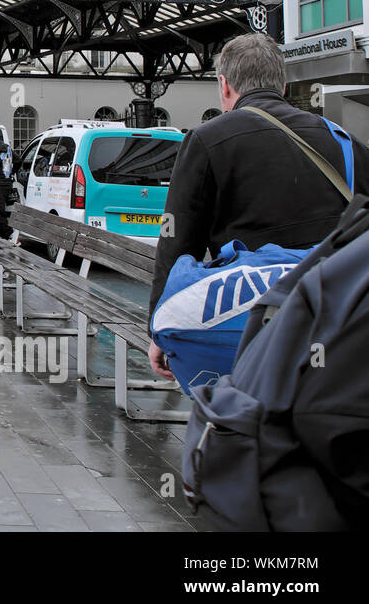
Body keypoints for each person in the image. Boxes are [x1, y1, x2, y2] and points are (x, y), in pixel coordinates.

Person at [147, 32, 369, 380]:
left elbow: (178, 240)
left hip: (249, 327)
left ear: (224, 86)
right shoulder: (343, 140)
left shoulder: (207, 139)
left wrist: (160, 325)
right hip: (334, 321)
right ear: (282, 85)